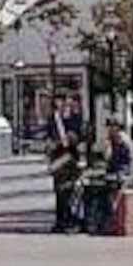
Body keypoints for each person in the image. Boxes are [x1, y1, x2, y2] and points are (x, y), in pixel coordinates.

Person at [47, 95, 82, 233]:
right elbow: (50, 137)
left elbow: (78, 136)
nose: (64, 106)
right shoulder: (53, 119)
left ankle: (69, 221)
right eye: (61, 103)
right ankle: (60, 221)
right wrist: (54, 143)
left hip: (70, 157)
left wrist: (71, 138)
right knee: (59, 191)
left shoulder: (74, 118)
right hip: (58, 158)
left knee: (69, 191)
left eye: (67, 103)